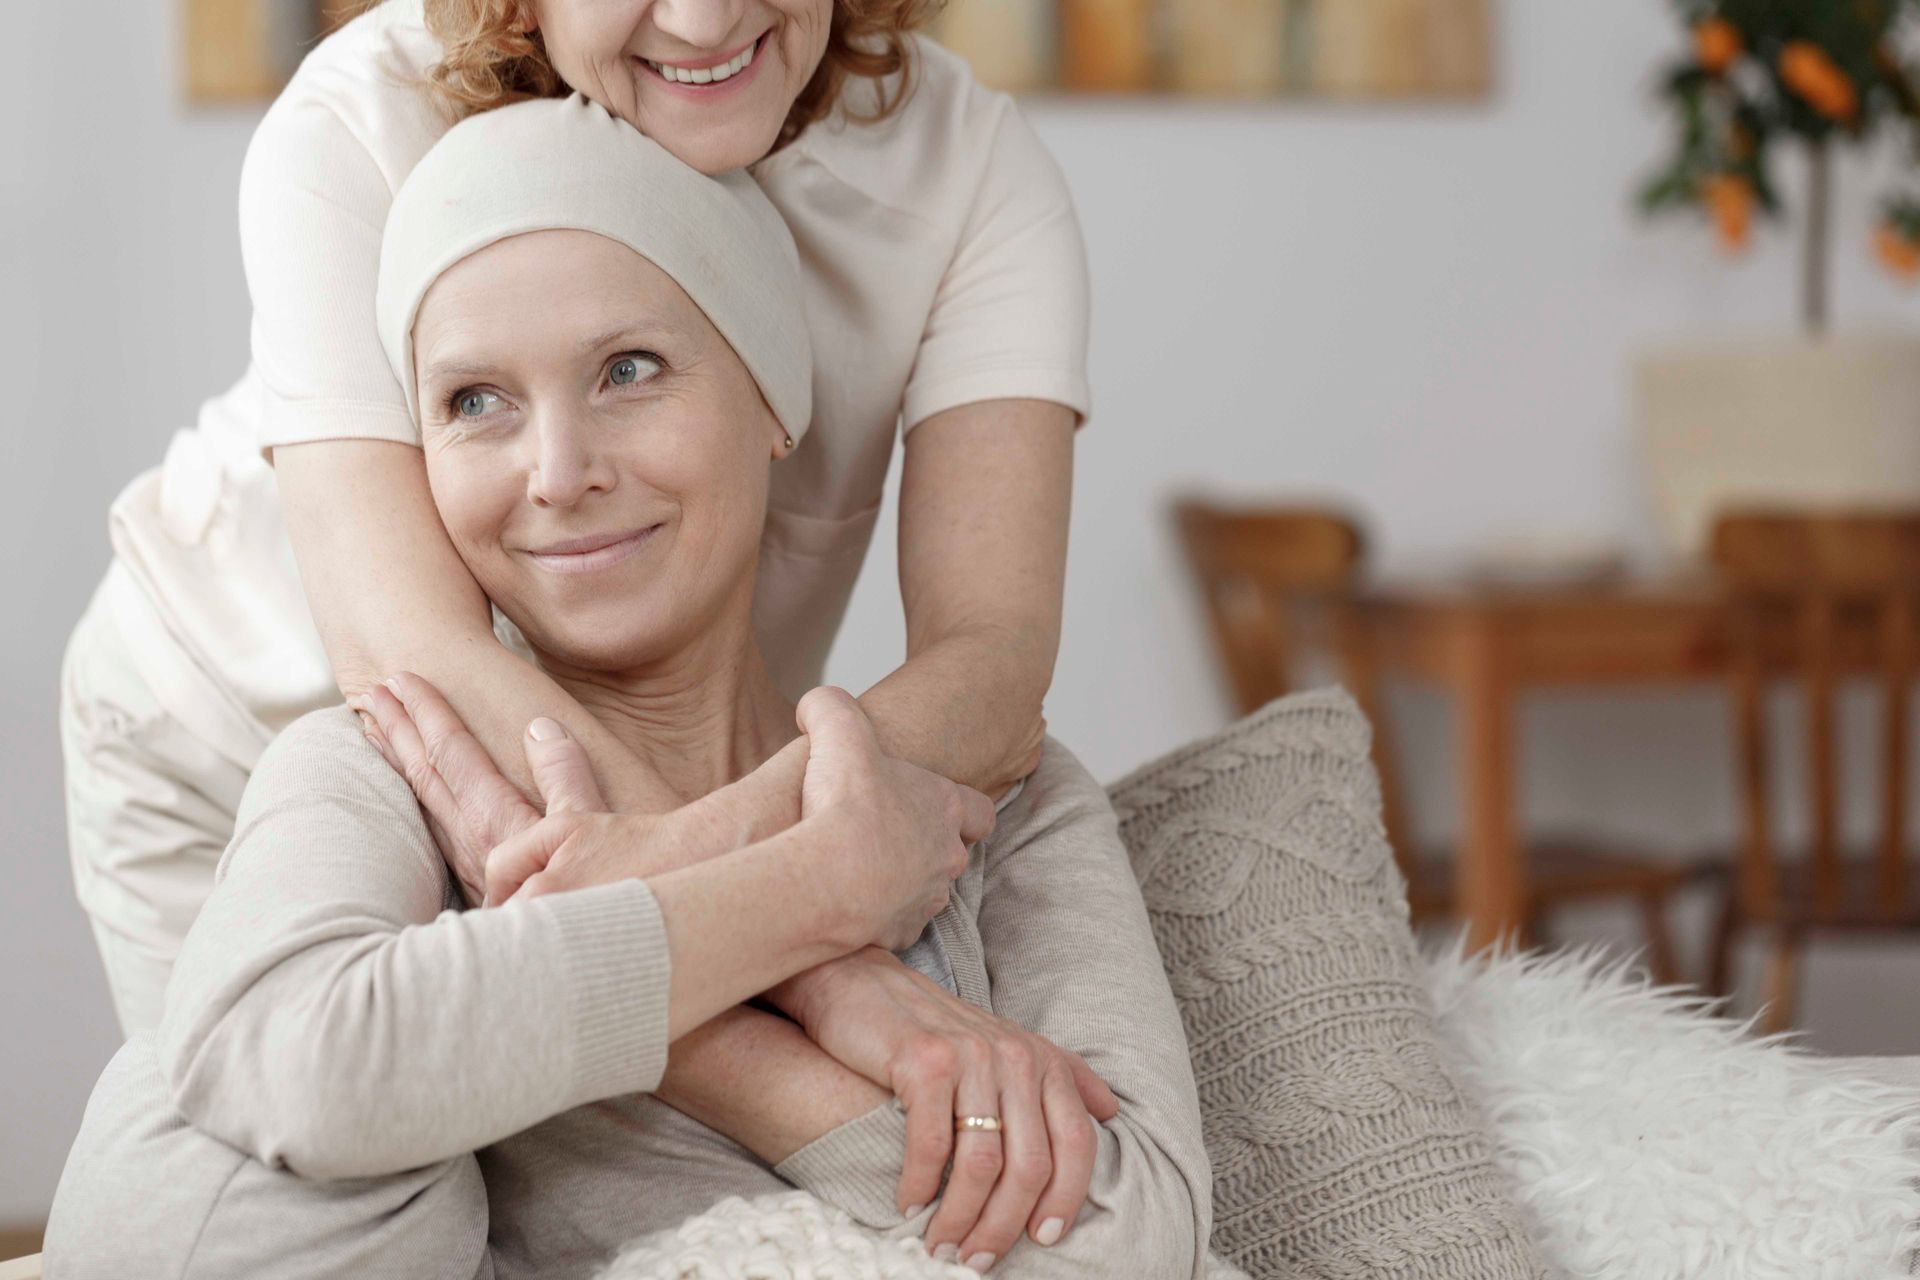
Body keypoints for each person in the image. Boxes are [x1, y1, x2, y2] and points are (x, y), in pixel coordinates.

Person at [44, 96, 1212, 1280]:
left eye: (629, 369)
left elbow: (1134, 1240)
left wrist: (658, 1001)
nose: (556, 473)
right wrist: (803, 925)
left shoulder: (993, 798)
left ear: (773, 404)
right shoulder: (394, 768)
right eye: (474, 402)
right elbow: (287, 1068)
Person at [61, 0, 1088, 1042]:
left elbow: (994, 654)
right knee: (302, 1161)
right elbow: (414, 656)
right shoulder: (358, 123)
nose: (703, 20)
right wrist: (815, 929)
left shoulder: (969, 174)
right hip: (245, 724)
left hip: (617, 794)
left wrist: (729, 860)